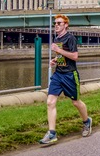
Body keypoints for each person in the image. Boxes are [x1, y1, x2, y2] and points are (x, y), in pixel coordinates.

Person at [39, 14, 92, 145]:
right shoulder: (57, 38)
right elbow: (62, 56)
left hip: (70, 75)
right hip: (58, 74)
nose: (56, 25)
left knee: (75, 102)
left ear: (66, 25)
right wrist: (55, 60)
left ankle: (87, 122)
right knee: (50, 102)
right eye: (55, 23)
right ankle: (52, 133)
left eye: (59, 23)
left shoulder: (71, 38)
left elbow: (74, 56)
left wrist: (58, 50)